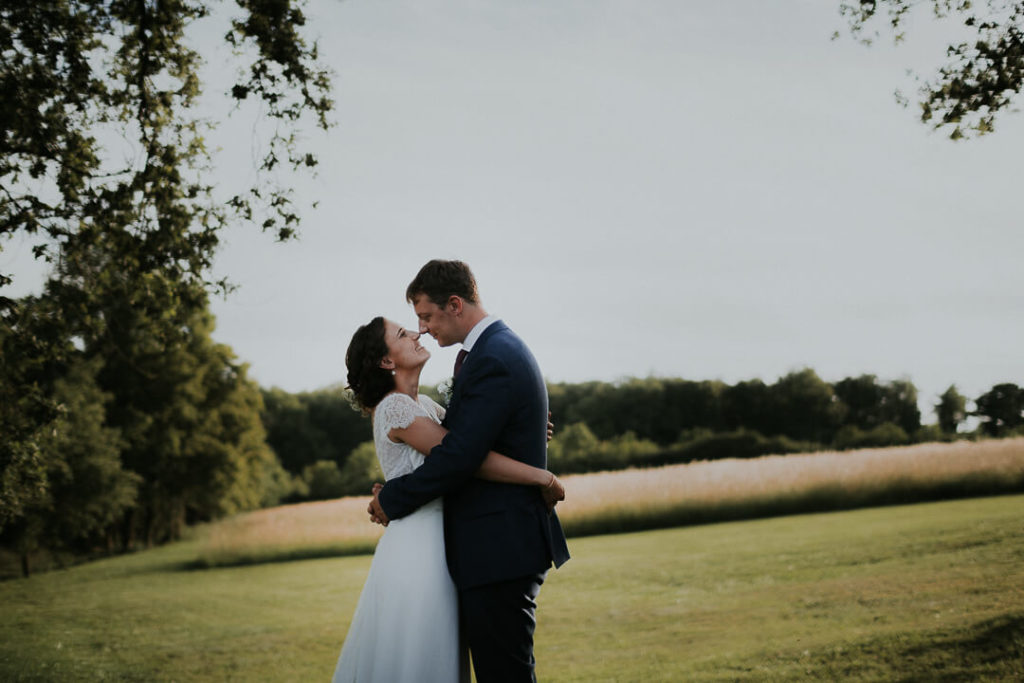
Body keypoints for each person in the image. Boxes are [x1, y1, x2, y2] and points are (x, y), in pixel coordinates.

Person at [369, 260, 571, 682]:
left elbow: (460, 455)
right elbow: (470, 441)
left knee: (505, 674)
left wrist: (392, 497)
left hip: (499, 546)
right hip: (491, 546)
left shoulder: (492, 356)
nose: (423, 329)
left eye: (426, 316)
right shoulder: (492, 351)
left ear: (455, 304)